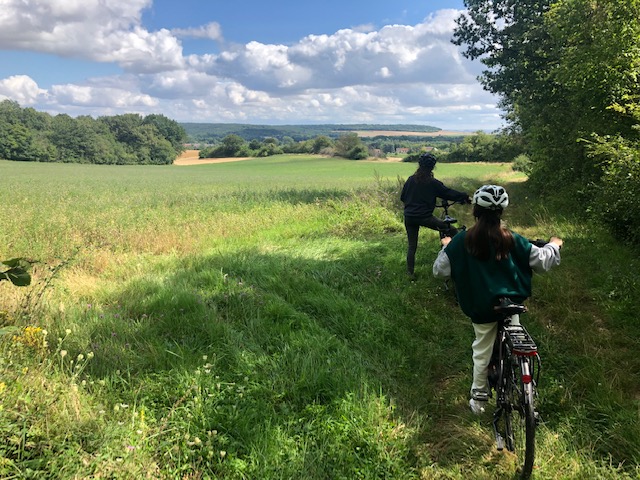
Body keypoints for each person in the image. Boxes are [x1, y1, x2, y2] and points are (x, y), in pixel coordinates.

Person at [432, 184, 563, 414]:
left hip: (481, 306)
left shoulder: (463, 240)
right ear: (501, 212)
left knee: (482, 350)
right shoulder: (511, 239)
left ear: (475, 211)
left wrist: (447, 247)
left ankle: (479, 401)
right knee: (515, 334)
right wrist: (554, 244)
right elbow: (542, 261)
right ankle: (523, 382)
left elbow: (440, 271)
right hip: (510, 303)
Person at [400, 153, 470, 280]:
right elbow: (448, 193)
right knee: (452, 230)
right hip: (424, 217)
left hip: (409, 217)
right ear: (432, 167)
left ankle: (410, 274)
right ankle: (452, 261)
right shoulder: (432, 183)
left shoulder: (411, 180)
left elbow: (402, 197)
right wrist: (464, 196)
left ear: (419, 165)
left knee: (412, 246)